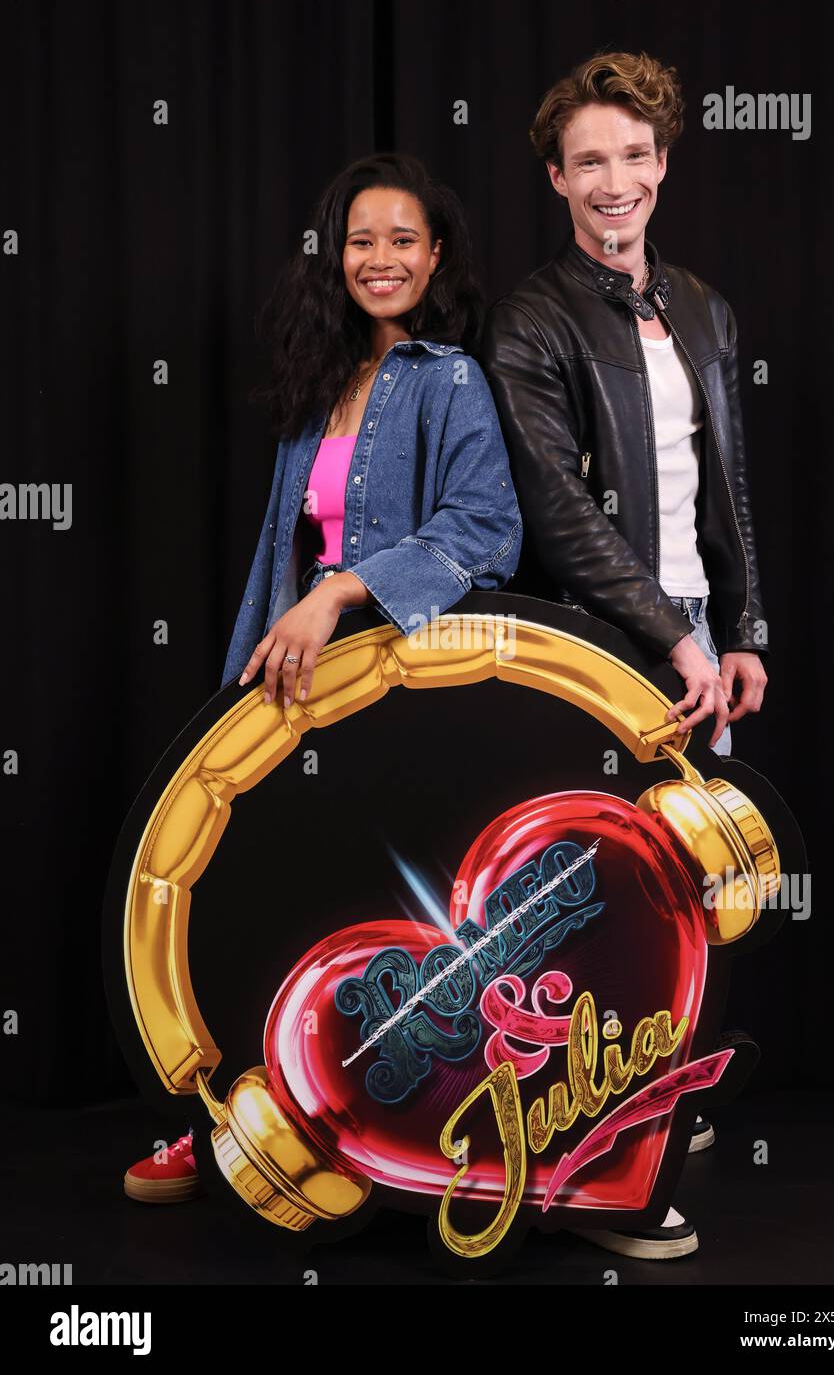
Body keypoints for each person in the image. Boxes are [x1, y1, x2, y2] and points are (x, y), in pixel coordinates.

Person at [123, 152, 521, 1205]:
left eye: (402, 239)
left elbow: (488, 531)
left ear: (435, 257)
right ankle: (217, 1131)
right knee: (252, 903)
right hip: (296, 697)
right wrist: (242, 684)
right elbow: (278, 564)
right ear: (333, 257)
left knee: (358, 929)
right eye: (360, 240)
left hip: (388, 700)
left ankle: (387, 1155)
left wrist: (344, 590)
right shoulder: (319, 387)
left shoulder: (449, 380)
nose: (379, 258)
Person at [481, 50, 771, 1258]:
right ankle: (595, 1182)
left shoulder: (700, 304)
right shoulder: (530, 315)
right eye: (589, 160)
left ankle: (634, 1117)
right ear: (556, 178)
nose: (615, 181)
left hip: (694, 640)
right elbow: (559, 512)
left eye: (634, 155)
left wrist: (740, 629)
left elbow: (726, 486)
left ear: (663, 164)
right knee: (590, 910)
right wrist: (663, 636)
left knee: (677, 901)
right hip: (596, 644)